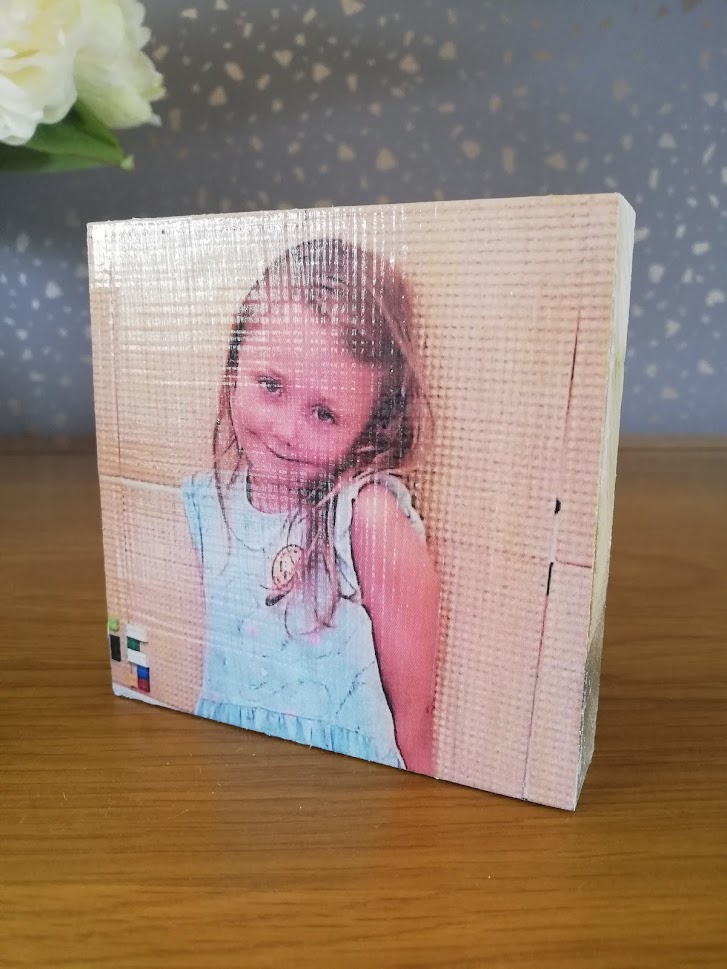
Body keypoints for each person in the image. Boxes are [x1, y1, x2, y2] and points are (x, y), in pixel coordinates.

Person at [182, 238, 440, 773]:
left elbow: (414, 716)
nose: (285, 431)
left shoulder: (364, 520)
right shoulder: (203, 509)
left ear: (369, 424)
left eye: (324, 414)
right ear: (235, 366)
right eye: (270, 385)